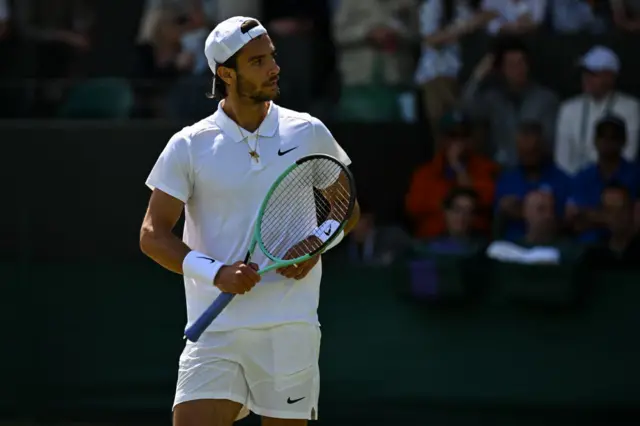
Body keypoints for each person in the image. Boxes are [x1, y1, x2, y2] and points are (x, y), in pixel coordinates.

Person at [139, 16, 360, 426]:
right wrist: (216, 273)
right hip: (216, 334)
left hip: (289, 328)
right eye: (258, 61)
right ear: (226, 73)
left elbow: (347, 209)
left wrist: (317, 242)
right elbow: (153, 235)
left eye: (272, 57)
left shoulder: (309, 131)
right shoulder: (189, 145)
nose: (274, 68)